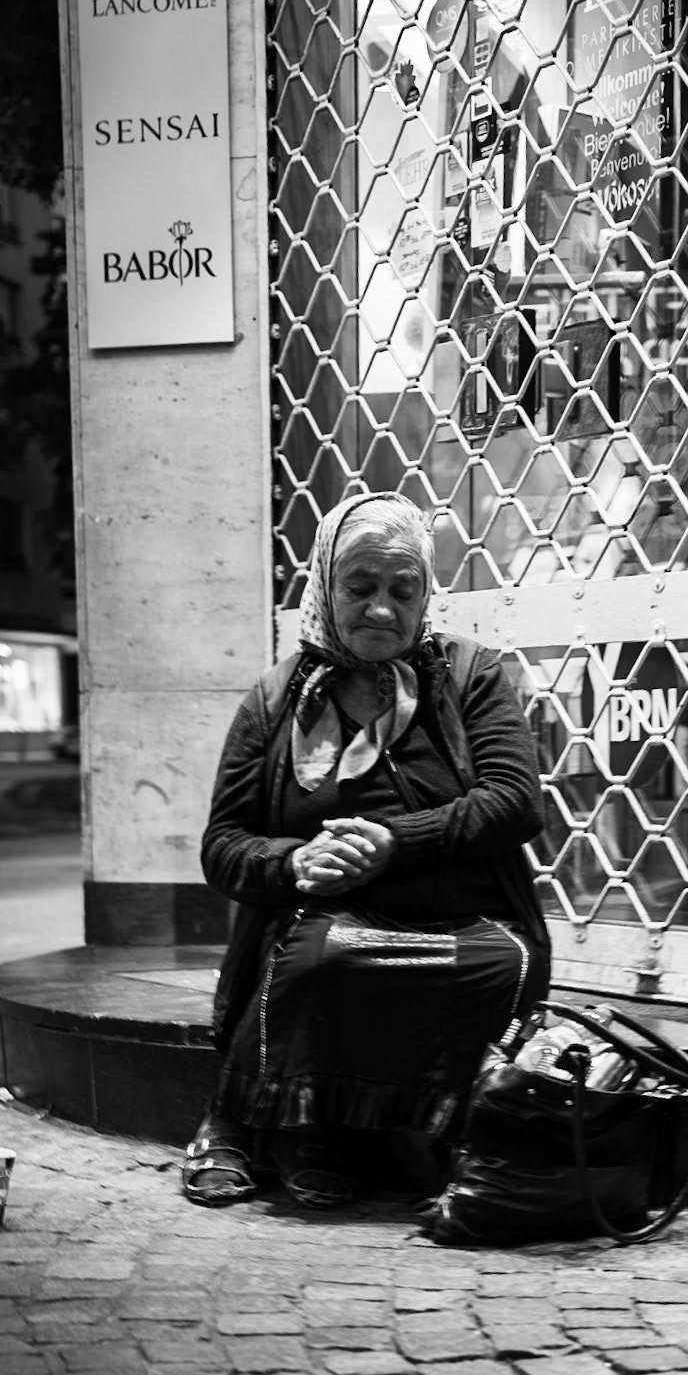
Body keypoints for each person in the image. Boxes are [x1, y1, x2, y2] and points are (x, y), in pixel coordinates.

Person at [182, 491, 551, 1208]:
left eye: (402, 591)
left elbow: (515, 801)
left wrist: (394, 843)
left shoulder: (470, 675)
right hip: (328, 914)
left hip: (462, 915)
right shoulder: (274, 699)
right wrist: (293, 863)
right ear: (326, 584)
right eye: (360, 587)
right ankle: (266, 1124)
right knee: (323, 954)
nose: (381, 609)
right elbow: (223, 845)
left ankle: (396, 1134)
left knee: (498, 965)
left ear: (425, 595)